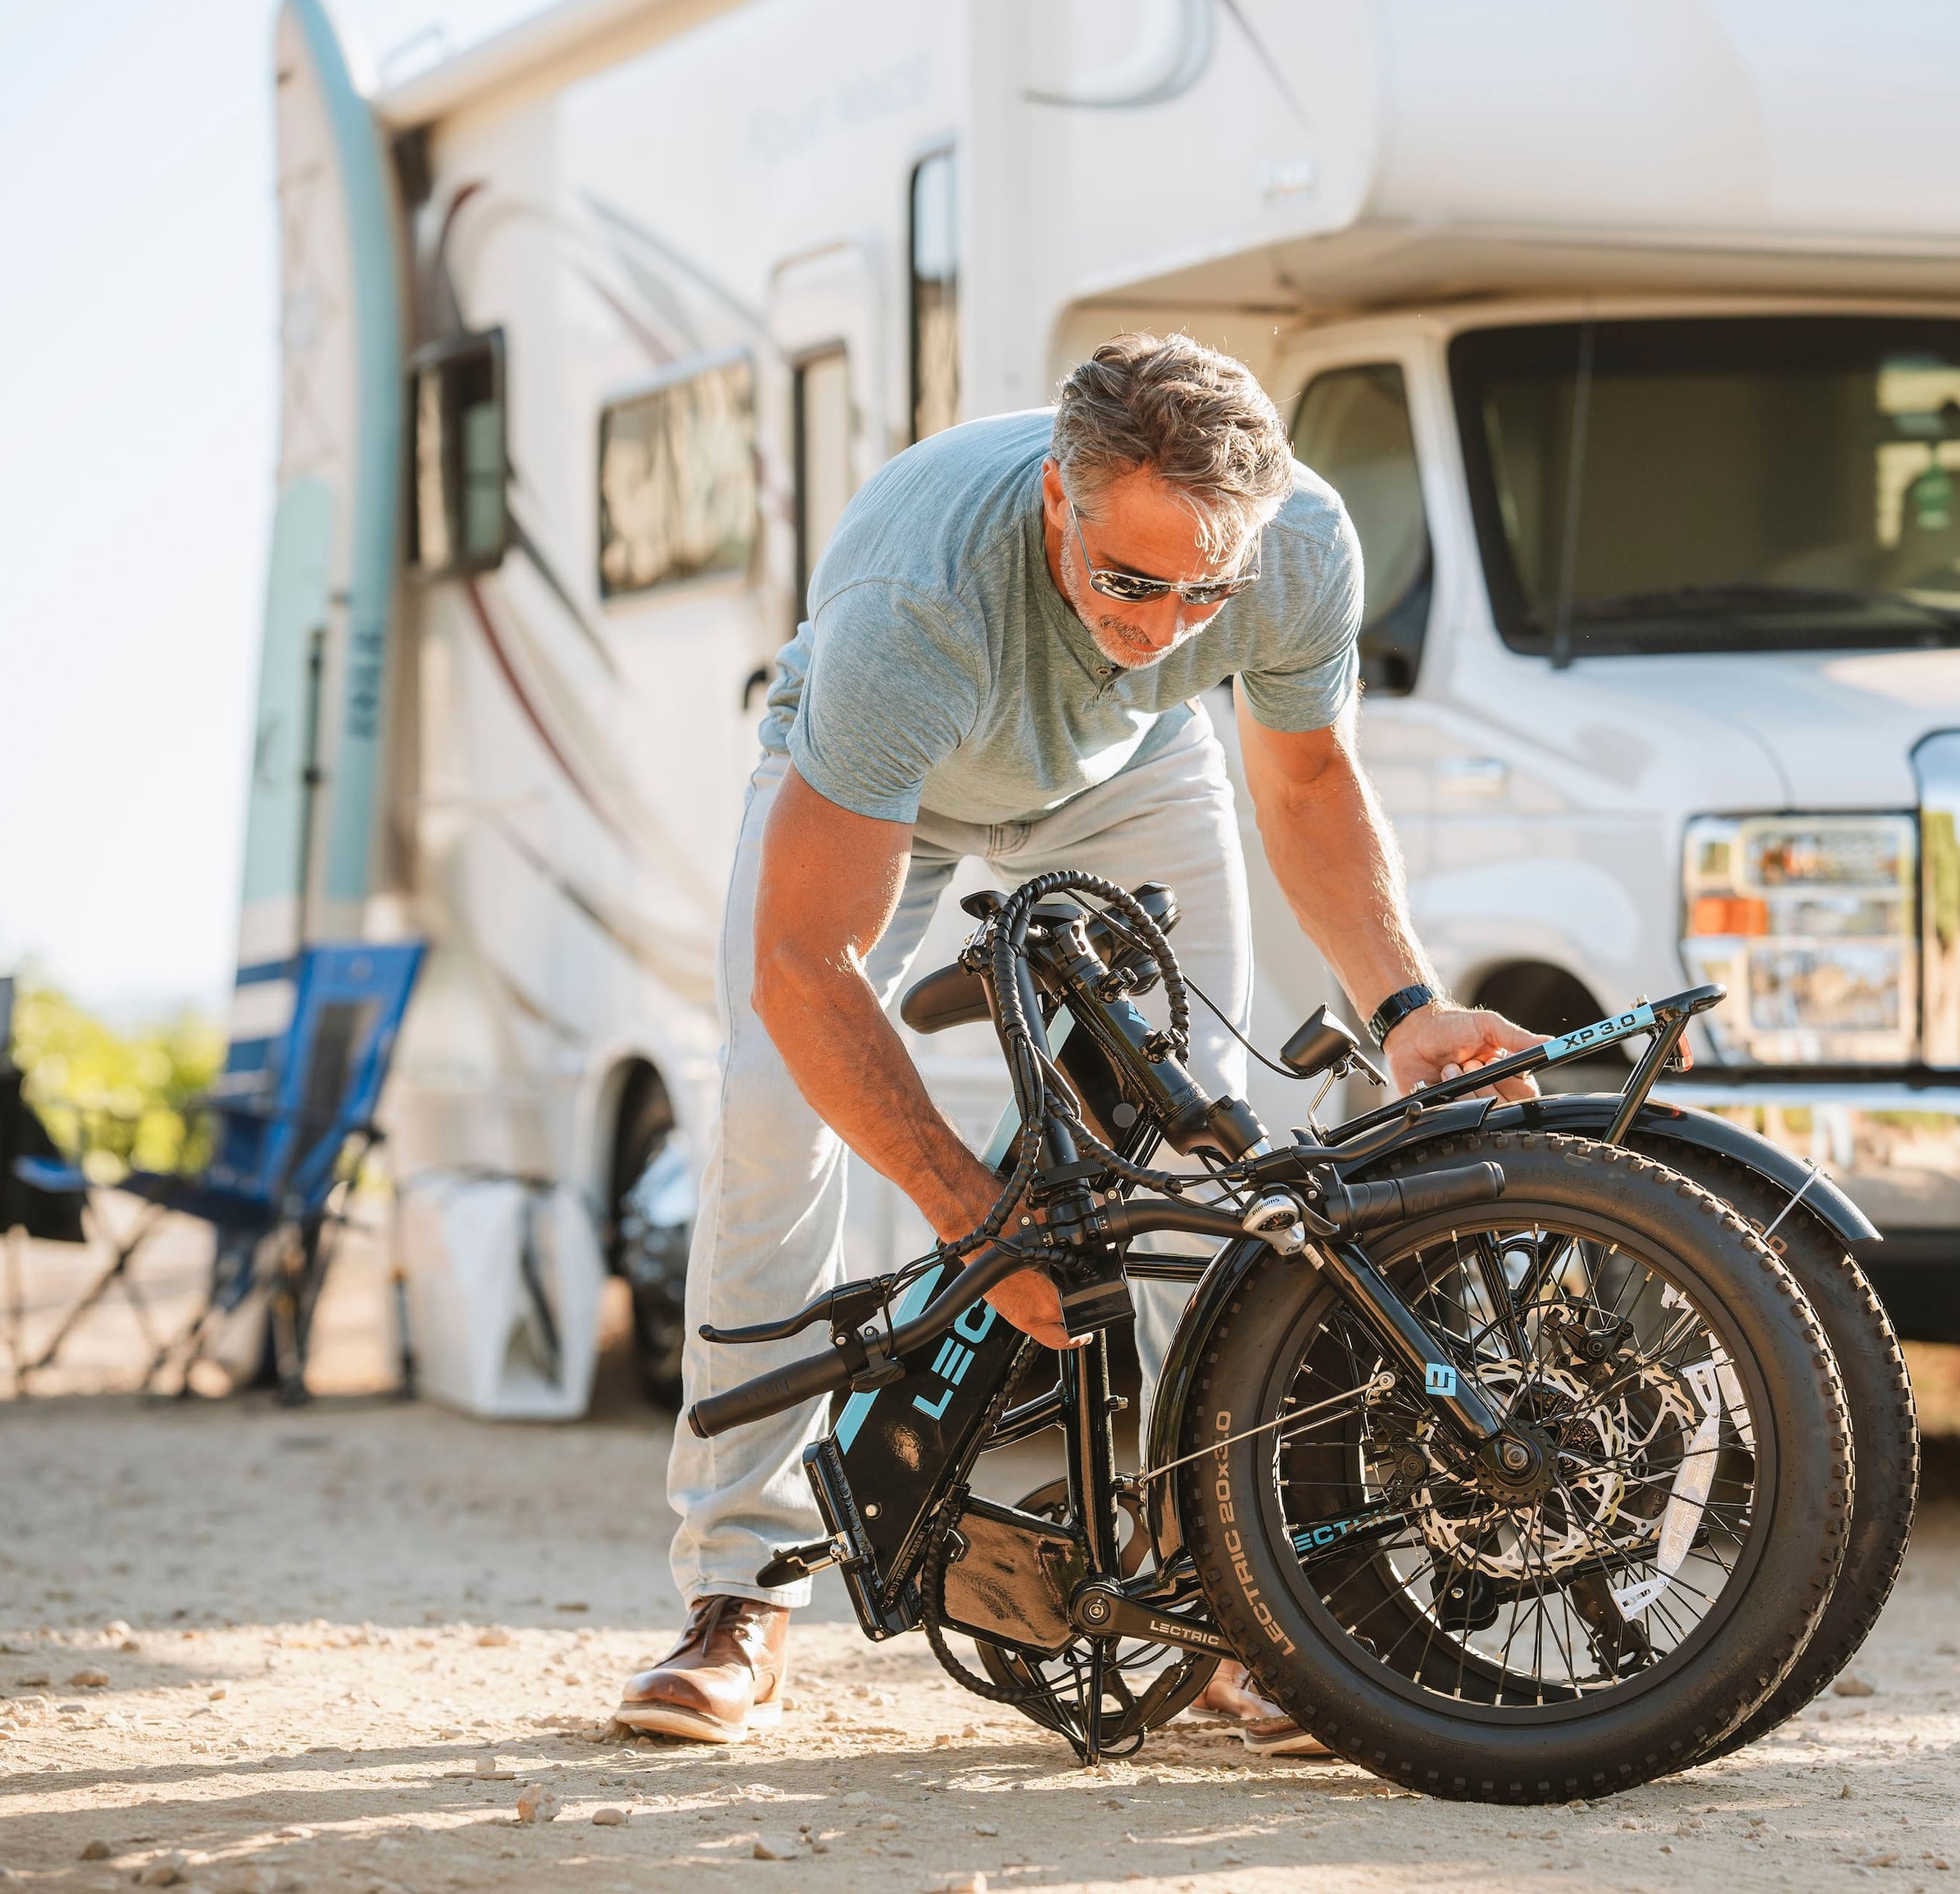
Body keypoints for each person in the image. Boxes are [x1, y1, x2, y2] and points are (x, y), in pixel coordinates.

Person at [611, 332, 1540, 1753]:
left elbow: (1303, 780)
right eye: (1128, 581)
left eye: (1201, 590)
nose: (1167, 621)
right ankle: (741, 1590)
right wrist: (975, 1223)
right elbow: (805, 968)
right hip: (894, 785)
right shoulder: (916, 604)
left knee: (1204, 1144)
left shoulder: (1294, 549)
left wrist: (1407, 1011)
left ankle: (1227, 1601)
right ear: (1060, 498)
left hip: (1129, 770)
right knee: (765, 1115)